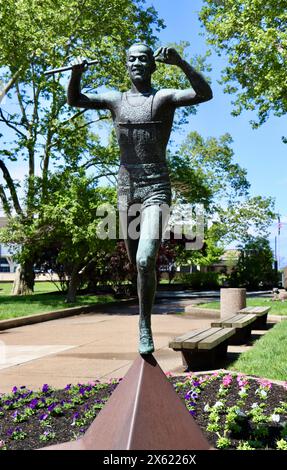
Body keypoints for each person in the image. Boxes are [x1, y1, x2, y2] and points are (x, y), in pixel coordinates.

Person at [67, 43, 213, 354]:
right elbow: (75, 99)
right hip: (126, 188)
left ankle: (144, 324)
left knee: (146, 258)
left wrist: (181, 63)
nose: (136, 63)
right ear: (126, 65)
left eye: (143, 58)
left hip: (156, 186)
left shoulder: (163, 98)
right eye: (131, 58)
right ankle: (144, 310)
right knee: (136, 262)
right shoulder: (115, 100)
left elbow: (204, 94)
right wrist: (76, 74)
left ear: (152, 65)